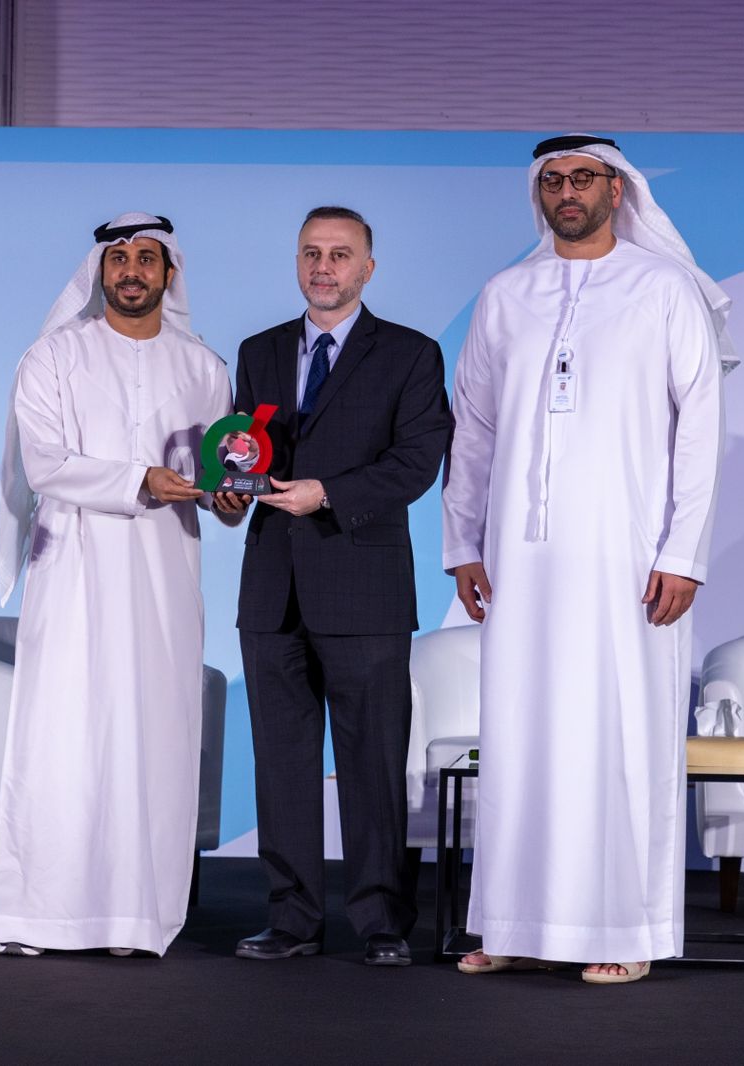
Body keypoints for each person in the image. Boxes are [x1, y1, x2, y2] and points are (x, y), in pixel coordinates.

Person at [441, 135, 730, 983]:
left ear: (617, 190)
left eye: (582, 178)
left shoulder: (664, 288)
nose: (566, 192)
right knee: (520, 732)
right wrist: (463, 541)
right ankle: (512, 923)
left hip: (628, 555)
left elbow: (701, 428)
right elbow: (475, 428)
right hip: (521, 556)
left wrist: (684, 551)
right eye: (552, 181)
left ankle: (624, 932)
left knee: (621, 733)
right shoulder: (506, 295)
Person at [0, 212, 237, 957]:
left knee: (155, 736)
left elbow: (219, 473)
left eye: (147, 259)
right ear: (100, 271)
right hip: (73, 571)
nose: (131, 271)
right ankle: (40, 916)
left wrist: (229, 500)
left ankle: (134, 917)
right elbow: (46, 466)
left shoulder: (203, 368)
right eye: (119, 259)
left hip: (165, 577)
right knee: (64, 733)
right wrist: (141, 480)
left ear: (170, 273)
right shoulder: (53, 357)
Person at [226, 206, 452, 967]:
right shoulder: (258, 350)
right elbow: (244, 451)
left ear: (367, 268)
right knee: (281, 765)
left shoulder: (411, 354)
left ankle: (382, 923)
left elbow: (416, 463)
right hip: (272, 587)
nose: (323, 267)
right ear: (297, 261)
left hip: (364, 586)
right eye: (311, 253)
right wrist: (228, 490)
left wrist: (328, 493)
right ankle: (291, 920)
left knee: (373, 763)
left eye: (339, 254)